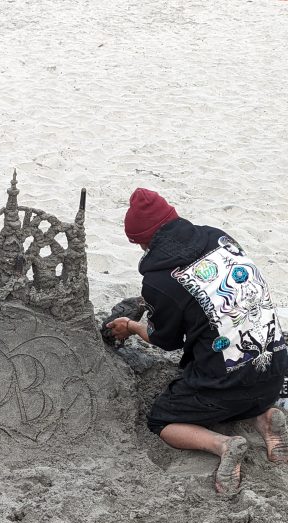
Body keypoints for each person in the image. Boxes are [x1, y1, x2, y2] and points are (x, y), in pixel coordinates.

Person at [107, 187, 288, 493]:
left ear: (143, 241)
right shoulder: (218, 237)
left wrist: (132, 327)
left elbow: (165, 339)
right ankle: (266, 417)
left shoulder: (159, 281)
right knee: (239, 363)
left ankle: (224, 444)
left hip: (227, 385)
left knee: (162, 421)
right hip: (276, 368)